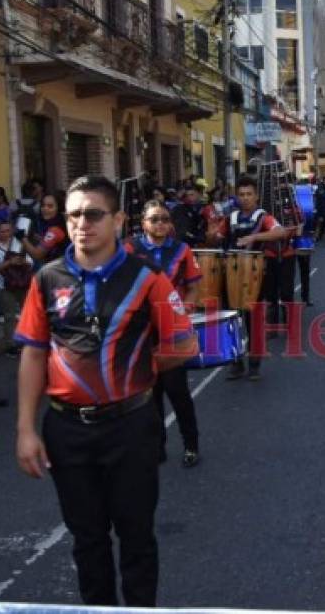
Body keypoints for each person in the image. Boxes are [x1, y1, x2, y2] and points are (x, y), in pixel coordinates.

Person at [15, 176, 198, 607]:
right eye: (74, 214)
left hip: (132, 427)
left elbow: (184, 344)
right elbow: (33, 353)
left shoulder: (148, 279)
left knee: (136, 538)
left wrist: (137, 370)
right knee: (87, 540)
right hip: (66, 430)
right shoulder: (47, 278)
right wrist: (25, 428)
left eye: (94, 214)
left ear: (117, 219)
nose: (83, 224)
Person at [125, 200, 202, 467]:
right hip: (141, 331)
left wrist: (184, 310)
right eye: (154, 219)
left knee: (177, 391)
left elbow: (193, 286)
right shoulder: (129, 249)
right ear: (143, 223)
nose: (161, 224)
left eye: (165, 219)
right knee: (149, 393)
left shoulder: (182, 249)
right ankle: (157, 446)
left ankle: (191, 444)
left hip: (171, 331)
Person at [212, 176, 289, 381]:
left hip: (254, 275)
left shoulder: (263, 217)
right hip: (230, 273)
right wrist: (214, 232)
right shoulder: (230, 218)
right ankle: (236, 363)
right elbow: (215, 237)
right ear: (236, 197)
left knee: (252, 320)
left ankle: (254, 364)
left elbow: (280, 232)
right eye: (241, 195)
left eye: (249, 194)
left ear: (256, 196)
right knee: (231, 320)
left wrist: (254, 237)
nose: (245, 198)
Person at [0, 220, 33, 354]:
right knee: (9, 316)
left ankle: (29, 339)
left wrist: (23, 262)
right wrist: (9, 263)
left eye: (8, 231)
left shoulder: (19, 244)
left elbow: (31, 262)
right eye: (2, 231)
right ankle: (11, 344)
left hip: (22, 283)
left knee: (27, 312)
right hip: (4, 285)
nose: (6, 234)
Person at [20, 192, 70, 268]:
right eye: (43, 205)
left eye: (50, 206)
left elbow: (37, 254)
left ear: (58, 208)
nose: (45, 209)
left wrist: (22, 238)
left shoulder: (54, 230)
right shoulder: (58, 223)